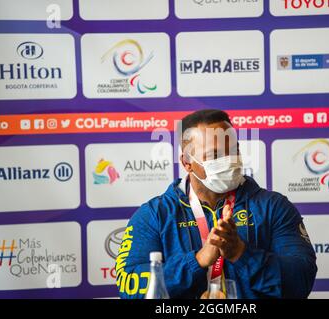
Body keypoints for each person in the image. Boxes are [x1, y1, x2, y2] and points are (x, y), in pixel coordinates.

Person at [116, 109, 317, 299]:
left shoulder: (274, 207)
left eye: (233, 150)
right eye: (214, 155)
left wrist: (241, 253)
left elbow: (301, 280)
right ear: (187, 162)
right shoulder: (154, 215)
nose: (228, 160)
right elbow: (129, 287)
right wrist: (197, 261)